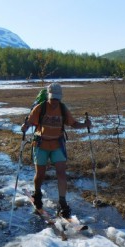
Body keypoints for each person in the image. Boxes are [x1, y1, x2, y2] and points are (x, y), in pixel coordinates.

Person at [21, 82, 92, 218]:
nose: (54, 101)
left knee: (61, 173)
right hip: (40, 144)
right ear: (48, 95)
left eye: (57, 98)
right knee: (40, 174)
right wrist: (25, 126)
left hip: (57, 144)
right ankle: (37, 194)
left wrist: (85, 125)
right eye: (52, 98)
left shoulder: (63, 108)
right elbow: (30, 122)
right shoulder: (40, 108)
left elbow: (73, 124)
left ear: (60, 97)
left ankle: (62, 202)